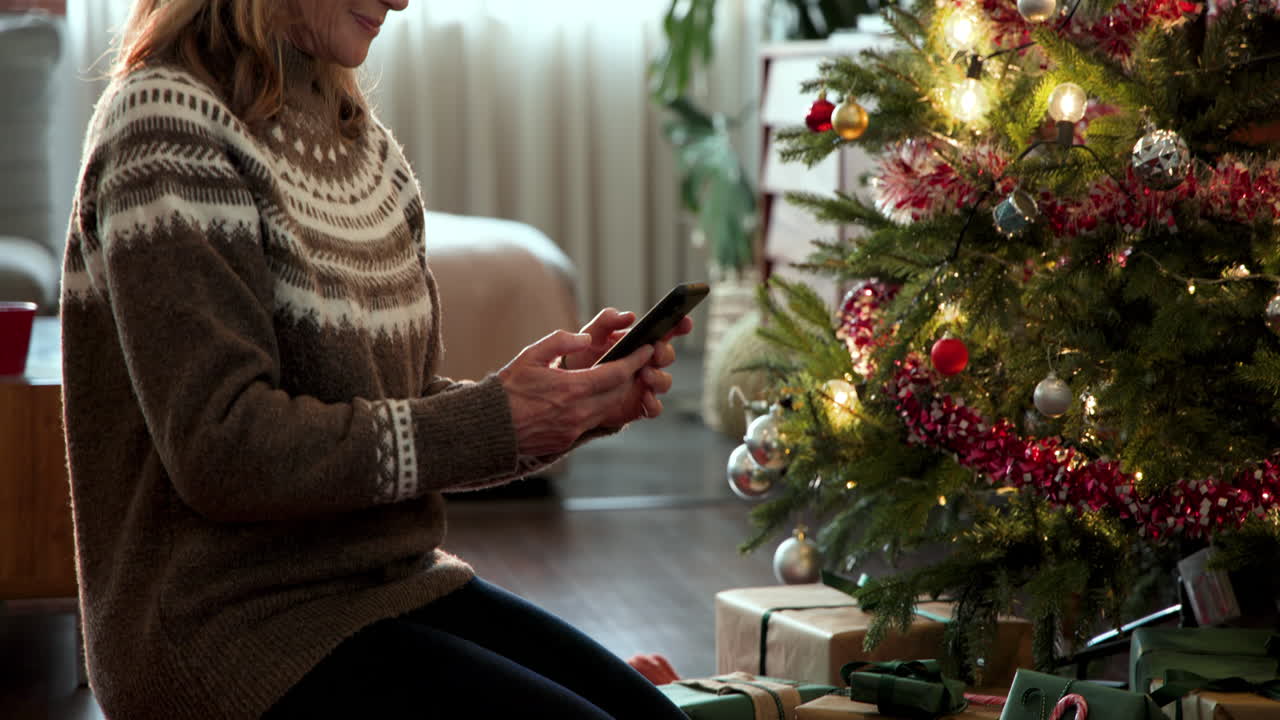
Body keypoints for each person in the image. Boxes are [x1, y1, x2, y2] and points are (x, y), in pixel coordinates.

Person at [60, 1, 692, 717]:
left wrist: (563, 408)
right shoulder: (165, 127)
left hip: (389, 588)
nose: (401, 0)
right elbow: (223, 448)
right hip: (227, 631)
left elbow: (403, 412)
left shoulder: (365, 149)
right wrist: (498, 419)